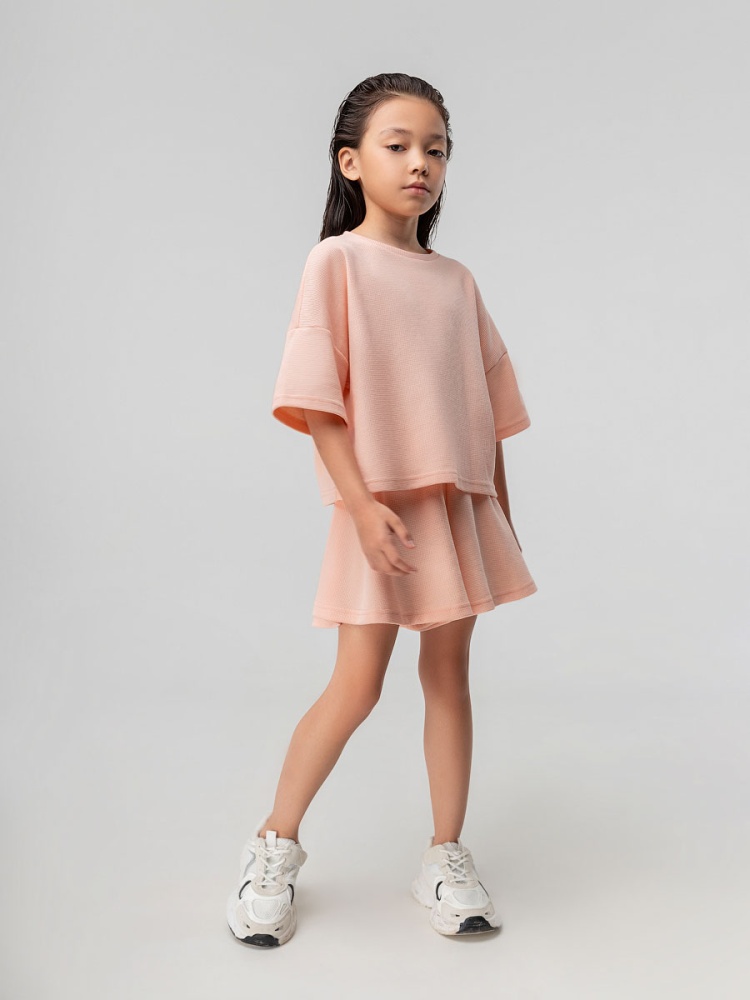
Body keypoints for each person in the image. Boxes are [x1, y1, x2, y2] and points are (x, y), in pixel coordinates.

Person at [226, 72, 538, 948]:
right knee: (356, 685)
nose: (420, 163)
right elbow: (318, 402)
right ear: (351, 161)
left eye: (436, 149)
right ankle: (272, 846)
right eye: (398, 146)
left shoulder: (457, 281)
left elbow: (490, 413)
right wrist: (360, 508)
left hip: (455, 510)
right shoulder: (335, 263)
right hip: (378, 511)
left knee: (448, 678)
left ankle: (445, 855)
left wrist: (501, 519)